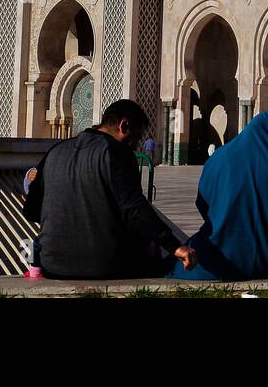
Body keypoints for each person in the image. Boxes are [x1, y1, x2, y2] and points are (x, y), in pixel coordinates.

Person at [23, 99, 195, 280]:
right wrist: (175, 246)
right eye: (135, 138)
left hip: (54, 266)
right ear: (124, 125)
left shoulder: (54, 152)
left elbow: (31, 211)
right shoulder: (117, 152)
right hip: (107, 266)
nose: (135, 146)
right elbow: (134, 208)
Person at [171, 111, 268, 280]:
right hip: (267, 258)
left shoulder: (218, 158)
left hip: (219, 254)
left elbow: (202, 203)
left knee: (177, 262)